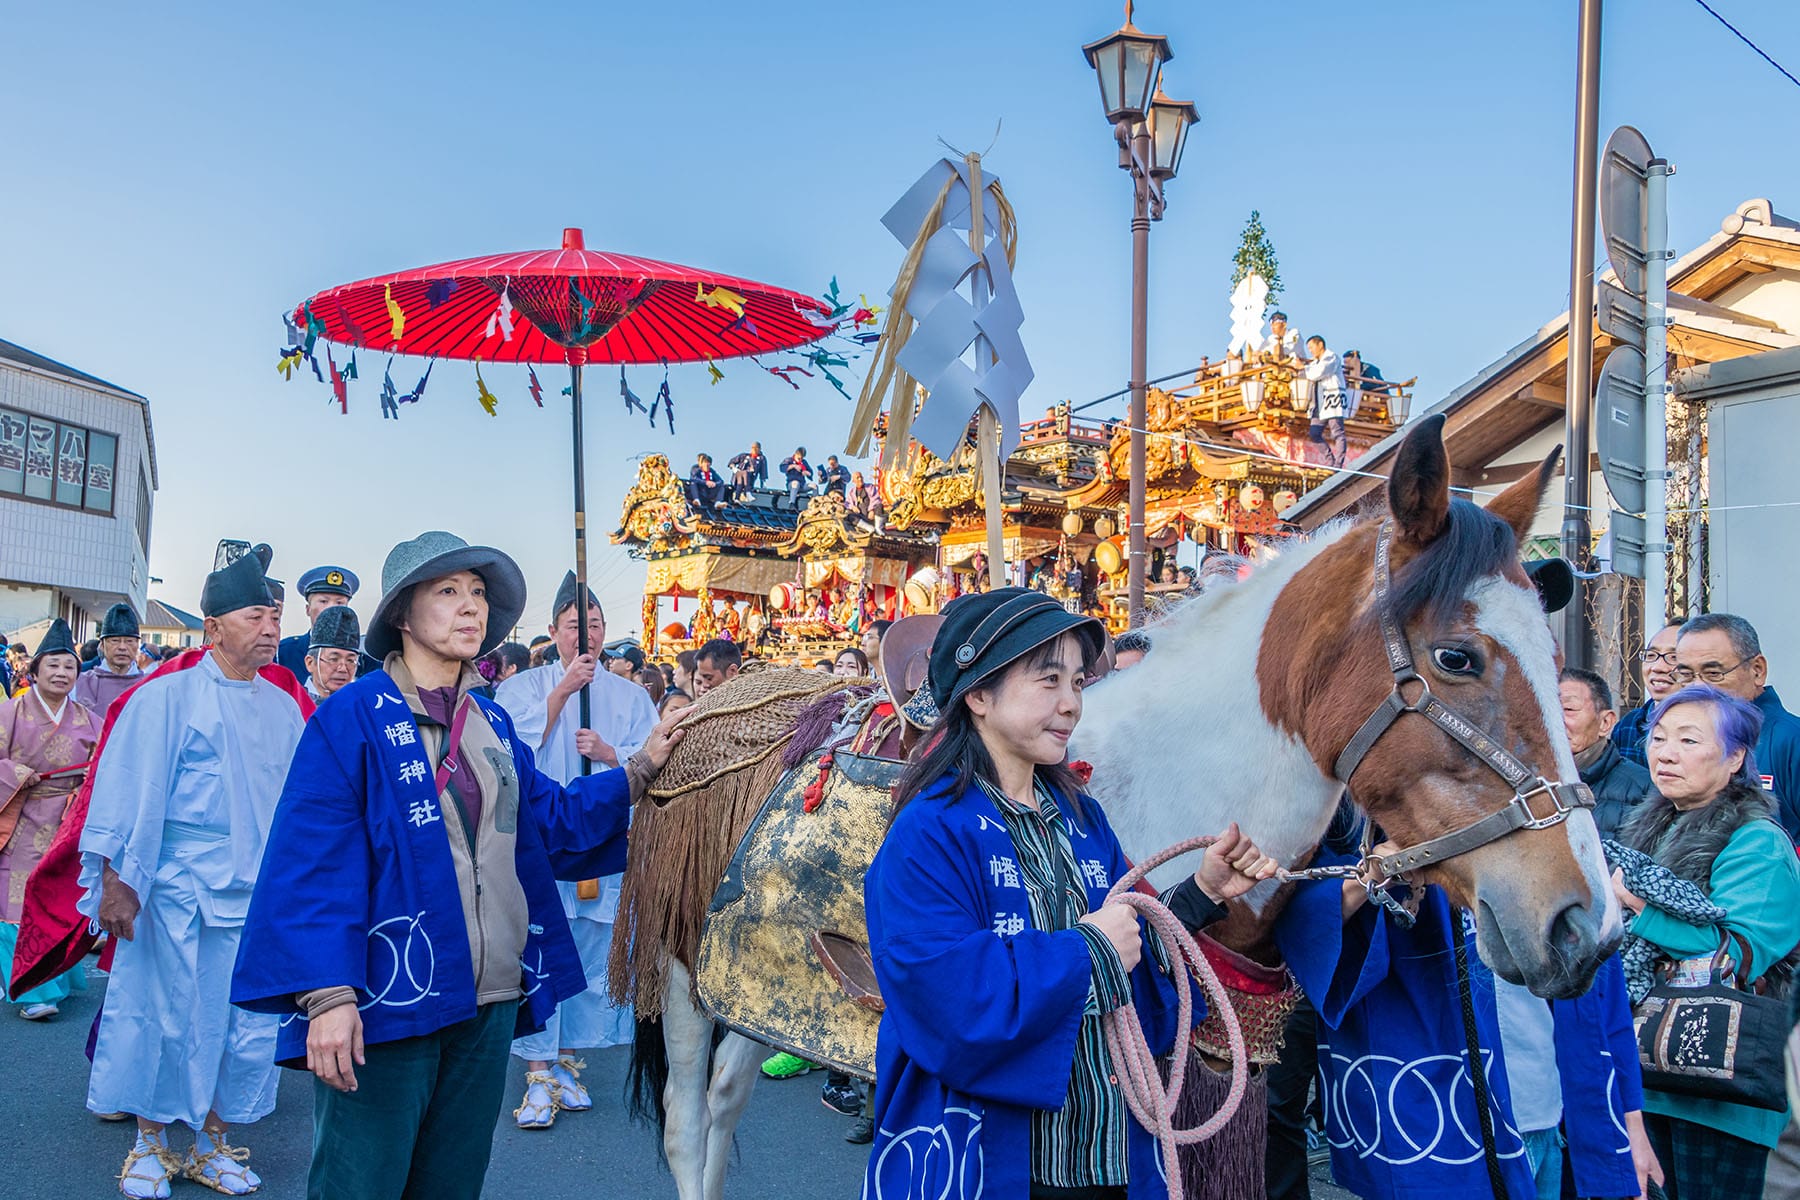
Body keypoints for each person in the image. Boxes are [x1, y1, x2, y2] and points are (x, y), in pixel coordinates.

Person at [231, 531, 686, 1200]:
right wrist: (328, 994)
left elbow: (550, 825)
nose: (470, 606)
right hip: (391, 995)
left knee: (452, 1180)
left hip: (489, 996)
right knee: (362, 1180)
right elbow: (312, 862)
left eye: (477, 593)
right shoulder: (352, 717)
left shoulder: (493, 723)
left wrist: (641, 768)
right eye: (447, 591)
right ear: (403, 616)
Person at [863, 588, 1278, 1199]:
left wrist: (1202, 893)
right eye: (1048, 680)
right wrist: (1087, 952)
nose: (1071, 704)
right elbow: (942, 994)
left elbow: (1133, 938)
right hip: (1003, 1163)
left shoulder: (1083, 818)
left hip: (1108, 1149)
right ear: (978, 694)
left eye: (1079, 682)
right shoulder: (927, 832)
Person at [81, 549, 306, 1198]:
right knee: (166, 1018)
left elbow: (301, 806)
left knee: (241, 1030)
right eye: (255, 614)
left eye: (274, 615)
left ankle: (211, 1143)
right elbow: (128, 793)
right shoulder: (166, 699)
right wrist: (118, 881)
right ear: (212, 628)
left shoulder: (284, 707)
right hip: (174, 893)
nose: (270, 626)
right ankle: (150, 1145)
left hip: (255, 897)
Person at [1610, 685, 1800, 1196]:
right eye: (1658, 737)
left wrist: (1638, 907)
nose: (1665, 752)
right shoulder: (1650, 829)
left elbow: (1736, 955)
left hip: (1721, 1089)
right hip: (1647, 1076)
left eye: (1689, 740)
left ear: (1736, 756)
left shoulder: (1757, 841)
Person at [491, 571, 658, 1130]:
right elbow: (508, 751)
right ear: (553, 630)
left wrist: (613, 753)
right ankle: (537, 1070)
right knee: (540, 952)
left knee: (590, 952)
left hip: (601, 844)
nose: (584, 635)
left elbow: (654, 755)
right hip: (541, 839)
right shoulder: (522, 689)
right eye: (573, 626)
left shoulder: (631, 695)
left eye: (594, 625)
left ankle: (565, 1061)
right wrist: (562, 692)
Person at [0, 619, 99, 1019]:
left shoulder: (90, 719)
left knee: (62, 901)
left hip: (67, 820)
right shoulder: (10, 712)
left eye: (69, 667)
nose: (61, 673)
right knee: (14, 905)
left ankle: (58, 976)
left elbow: (102, 769)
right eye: (53, 665)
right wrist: (16, 774)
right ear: (35, 670)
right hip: (20, 817)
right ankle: (31, 991)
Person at [1674, 613, 1800, 839]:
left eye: (1713, 673)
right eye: (1685, 675)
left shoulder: (1790, 740)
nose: (1698, 687)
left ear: (1757, 670)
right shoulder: (1674, 745)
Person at [1560, 667, 1652, 837]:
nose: (1555, 719)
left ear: (1605, 723)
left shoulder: (1646, 793)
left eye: (1568, 709)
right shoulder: (1520, 785)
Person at [275, 565, 360, 684]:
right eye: (323, 601)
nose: (331, 608)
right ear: (308, 609)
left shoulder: (362, 657)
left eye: (339, 602)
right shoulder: (284, 653)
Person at [1614, 622, 1681, 766]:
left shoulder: (1712, 727)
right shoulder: (1628, 725)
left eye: (1673, 657)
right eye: (1651, 655)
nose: (1658, 667)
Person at [73, 603, 146, 714]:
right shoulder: (81, 682)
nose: (122, 647)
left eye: (129, 641)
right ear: (102, 645)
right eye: (115, 641)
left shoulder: (148, 685)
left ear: (137, 645)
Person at [1303, 335, 1351, 469]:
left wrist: (1303, 367)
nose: (1311, 351)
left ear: (1320, 345)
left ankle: (1338, 464)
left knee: (1337, 432)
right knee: (1314, 433)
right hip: (1319, 403)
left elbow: (1316, 373)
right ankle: (1330, 459)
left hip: (1332, 400)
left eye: (1311, 347)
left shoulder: (1331, 358)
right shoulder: (1315, 362)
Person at [302, 606, 363, 703]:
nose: (343, 669)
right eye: (334, 659)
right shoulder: (293, 703)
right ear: (310, 663)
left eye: (350, 660)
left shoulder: (363, 706)